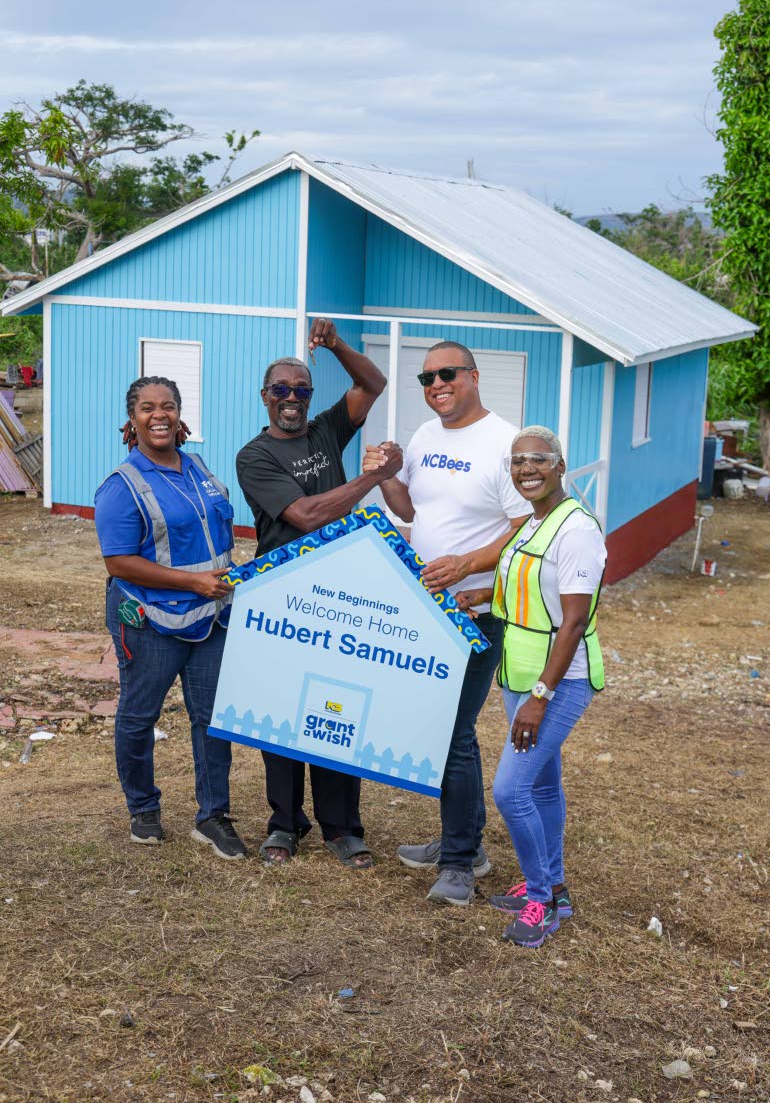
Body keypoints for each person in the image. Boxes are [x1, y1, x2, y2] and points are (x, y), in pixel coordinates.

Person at [363, 341, 531, 906]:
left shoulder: (506, 443)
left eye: (448, 373)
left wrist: (467, 565)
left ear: (474, 376)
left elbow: (525, 529)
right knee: (442, 730)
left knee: (453, 733)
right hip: (425, 608)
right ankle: (466, 842)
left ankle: (460, 863)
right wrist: (384, 475)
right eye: (427, 377)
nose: (437, 384)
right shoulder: (426, 437)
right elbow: (412, 510)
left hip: (475, 611)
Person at [236, 318, 401, 870]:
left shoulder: (328, 429)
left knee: (336, 706)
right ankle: (284, 824)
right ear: (265, 396)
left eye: (301, 391)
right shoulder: (254, 456)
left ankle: (342, 827)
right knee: (281, 711)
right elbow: (306, 516)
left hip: (340, 589)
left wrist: (335, 345)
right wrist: (373, 479)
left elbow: (373, 384)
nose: (291, 399)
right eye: (281, 390)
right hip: (282, 594)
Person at [456, 425, 606, 949]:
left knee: (510, 790)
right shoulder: (531, 523)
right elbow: (521, 585)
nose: (527, 469)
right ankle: (554, 887)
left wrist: (540, 697)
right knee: (541, 785)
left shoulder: (576, 529)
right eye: (518, 462)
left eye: (539, 459)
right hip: (520, 674)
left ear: (560, 465)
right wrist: (478, 595)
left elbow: (573, 620)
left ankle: (541, 900)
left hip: (558, 681)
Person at [95, 375, 246, 859]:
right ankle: (143, 809)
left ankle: (213, 816)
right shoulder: (122, 486)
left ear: (179, 415)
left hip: (211, 617)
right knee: (140, 715)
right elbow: (119, 562)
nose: (158, 415)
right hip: (150, 620)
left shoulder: (197, 466)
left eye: (168, 406)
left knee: (211, 719)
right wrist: (194, 582)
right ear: (132, 419)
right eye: (147, 408)